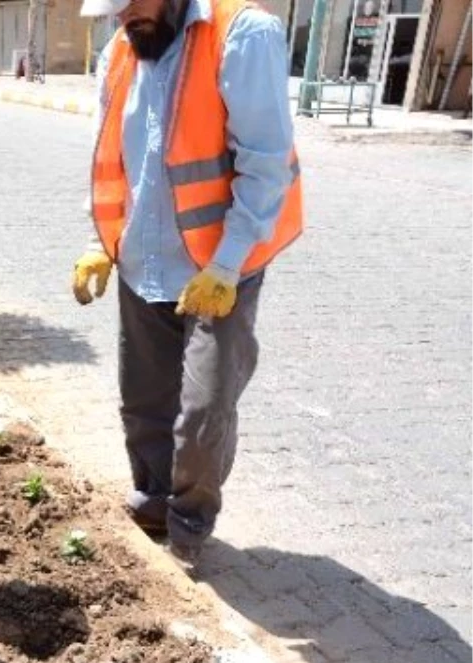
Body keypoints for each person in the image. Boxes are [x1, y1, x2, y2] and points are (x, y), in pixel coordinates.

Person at [72, 0, 301, 565]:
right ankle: (153, 499)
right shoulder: (121, 48)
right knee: (144, 400)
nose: (123, 18)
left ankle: (189, 525)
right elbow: (118, 159)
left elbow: (266, 163)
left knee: (203, 410)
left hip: (218, 266)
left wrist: (226, 266)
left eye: (132, 5)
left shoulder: (242, 34)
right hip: (143, 260)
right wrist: (102, 243)